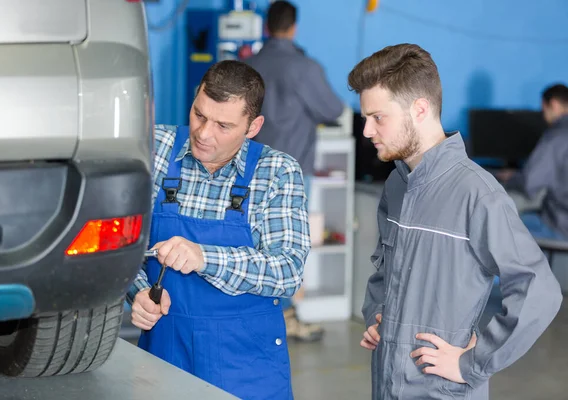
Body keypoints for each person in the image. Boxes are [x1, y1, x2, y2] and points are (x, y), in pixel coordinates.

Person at [348, 43, 563, 400]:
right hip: (386, 381)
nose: (368, 130)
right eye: (365, 119)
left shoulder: (478, 194)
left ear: (420, 109)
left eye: (378, 117)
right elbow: (384, 270)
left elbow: (539, 291)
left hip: (441, 389)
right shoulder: (397, 184)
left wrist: (472, 364)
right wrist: (377, 314)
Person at [126, 60, 310, 400]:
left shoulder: (276, 171)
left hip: (245, 366)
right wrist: (140, 291)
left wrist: (203, 257)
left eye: (223, 125)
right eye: (199, 114)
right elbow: (121, 245)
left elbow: (288, 271)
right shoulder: (154, 149)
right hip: (165, 353)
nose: (204, 133)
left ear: (252, 127)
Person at [246, 0, 344, 342]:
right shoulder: (304, 67)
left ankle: (264, 315)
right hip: (291, 171)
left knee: (255, 242)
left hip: (249, 167)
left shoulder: (250, 65)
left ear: (267, 27)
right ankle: (286, 317)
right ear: (293, 27)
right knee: (286, 245)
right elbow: (333, 108)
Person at [497, 83, 568, 240]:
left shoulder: (556, 137)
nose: (544, 117)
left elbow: (530, 184)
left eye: (544, 110)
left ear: (553, 105)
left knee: (502, 225)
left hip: (560, 226)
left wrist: (511, 178)